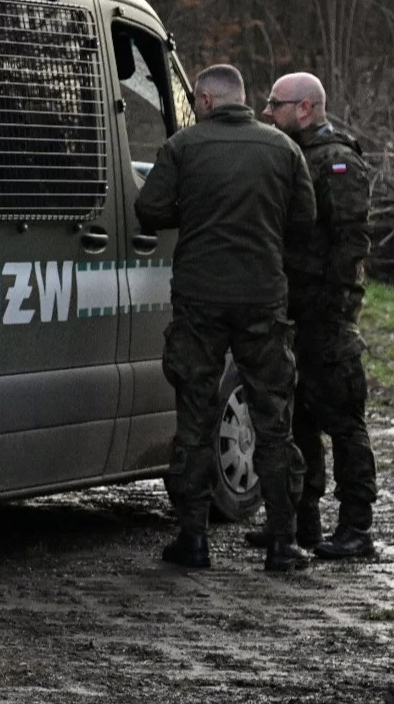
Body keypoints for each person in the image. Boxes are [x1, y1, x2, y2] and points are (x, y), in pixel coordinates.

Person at [134, 62, 318, 573]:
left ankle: (193, 541)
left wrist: (192, 212)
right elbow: (305, 220)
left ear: (207, 100)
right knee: (273, 420)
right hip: (262, 298)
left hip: (199, 299)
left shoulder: (183, 148)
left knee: (194, 417)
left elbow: (148, 209)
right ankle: (283, 542)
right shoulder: (284, 149)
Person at [261, 72, 377, 560]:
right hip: (296, 309)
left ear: (305, 109)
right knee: (299, 418)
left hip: (324, 316)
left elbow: (348, 243)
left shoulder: (335, 162)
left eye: (276, 104)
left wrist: (332, 306)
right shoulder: (296, 155)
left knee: (343, 420)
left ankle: (355, 528)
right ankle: (302, 522)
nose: (268, 112)